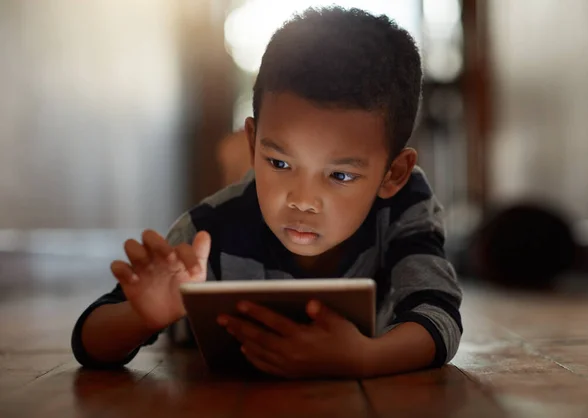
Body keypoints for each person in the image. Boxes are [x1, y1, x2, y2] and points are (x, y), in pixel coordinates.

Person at [71, 6, 463, 379]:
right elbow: (90, 343)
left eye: (340, 175)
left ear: (392, 173)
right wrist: (143, 317)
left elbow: (438, 315)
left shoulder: (402, 205)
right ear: (253, 142)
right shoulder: (209, 232)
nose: (302, 199)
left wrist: (363, 358)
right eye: (279, 163)